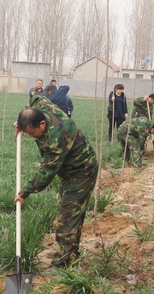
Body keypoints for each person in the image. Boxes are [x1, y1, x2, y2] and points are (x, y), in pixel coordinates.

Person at [14, 96, 98, 268]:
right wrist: (19, 123)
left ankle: (65, 262)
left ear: (42, 124)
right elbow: (36, 98)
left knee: (68, 216)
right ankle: (69, 249)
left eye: (32, 132)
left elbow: (47, 172)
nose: (30, 136)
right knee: (66, 210)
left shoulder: (56, 138)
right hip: (69, 172)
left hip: (81, 171)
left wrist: (24, 193)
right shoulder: (44, 107)